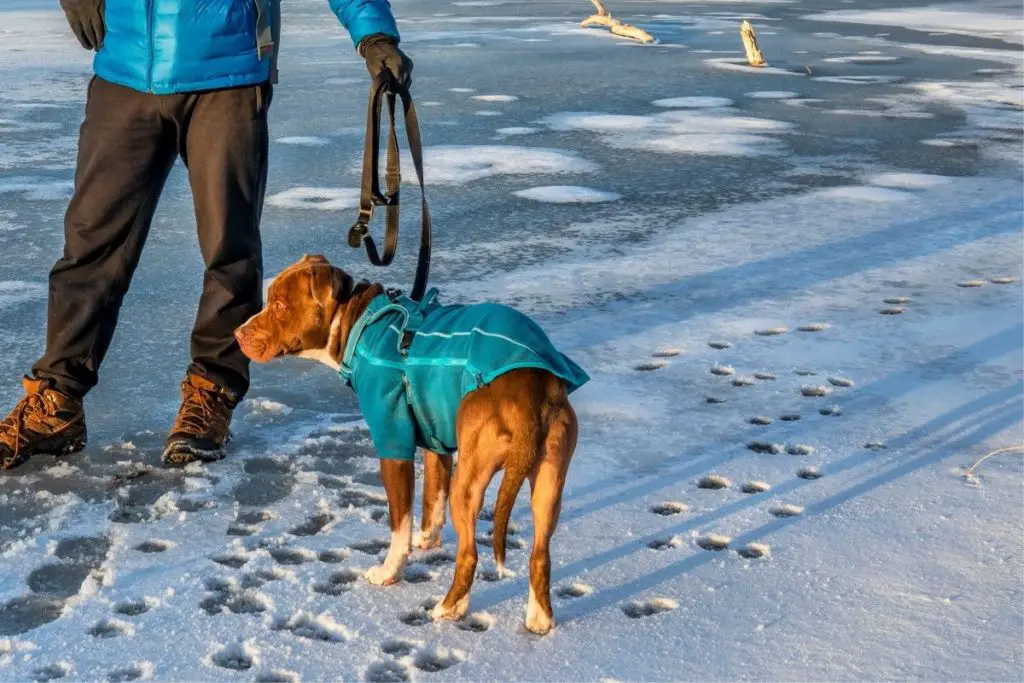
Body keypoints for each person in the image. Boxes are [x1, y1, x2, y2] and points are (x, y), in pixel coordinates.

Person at [0, 0, 412, 470]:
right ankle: (57, 401)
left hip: (228, 73)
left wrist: (373, 33)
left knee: (228, 249)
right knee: (89, 246)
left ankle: (211, 392)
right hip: (124, 68)